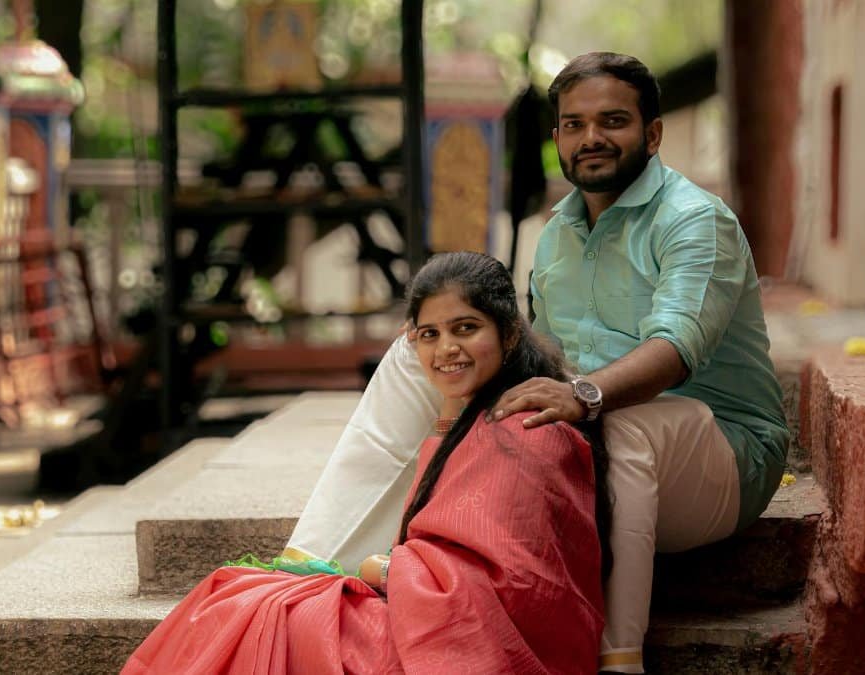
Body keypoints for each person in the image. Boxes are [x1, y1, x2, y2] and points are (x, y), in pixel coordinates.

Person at [287, 52, 789, 673]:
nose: (592, 138)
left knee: (618, 424)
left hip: (721, 453)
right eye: (574, 125)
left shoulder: (695, 220)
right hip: (595, 430)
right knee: (419, 348)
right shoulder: (557, 234)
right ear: (556, 139)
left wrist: (583, 395)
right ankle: (312, 563)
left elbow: (676, 349)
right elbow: (543, 361)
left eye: (613, 121)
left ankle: (619, 656)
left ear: (652, 134)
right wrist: (456, 343)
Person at [122, 252, 611, 674]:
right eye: (429, 335)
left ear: (507, 335)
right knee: (236, 594)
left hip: (470, 646)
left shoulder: (531, 429)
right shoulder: (466, 418)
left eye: (466, 329)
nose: (446, 349)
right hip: (424, 618)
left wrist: (380, 569)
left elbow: (517, 586)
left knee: (266, 614)